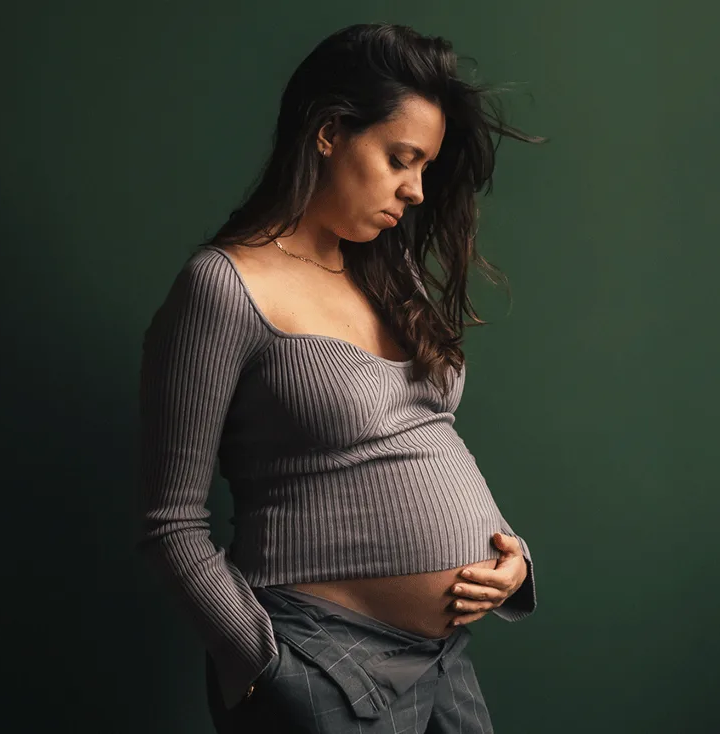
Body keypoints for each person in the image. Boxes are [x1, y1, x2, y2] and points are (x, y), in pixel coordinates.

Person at [138, 22, 544, 733]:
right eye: (400, 159)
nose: (415, 190)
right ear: (329, 132)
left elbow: (423, 436)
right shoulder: (224, 287)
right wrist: (263, 668)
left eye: (423, 168)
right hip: (323, 662)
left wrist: (510, 556)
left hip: (445, 660)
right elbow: (173, 522)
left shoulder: (390, 273)